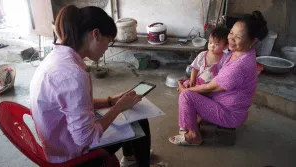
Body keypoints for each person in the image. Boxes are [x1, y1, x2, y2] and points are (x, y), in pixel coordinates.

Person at [30, 5, 166, 167]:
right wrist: (118, 108)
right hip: (74, 157)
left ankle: (130, 158)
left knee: (127, 112)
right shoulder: (73, 75)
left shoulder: (56, 58)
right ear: (95, 34)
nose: (107, 48)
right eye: (108, 40)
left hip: (57, 144)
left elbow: (72, 103)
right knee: (139, 119)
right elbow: (86, 139)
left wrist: (111, 101)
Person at [169, 11, 268, 146]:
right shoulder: (240, 52)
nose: (231, 39)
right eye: (231, 33)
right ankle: (197, 119)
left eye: (238, 36)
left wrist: (186, 90)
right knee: (187, 84)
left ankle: (194, 136)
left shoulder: (240, 64)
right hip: (220, 99)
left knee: (186, 95)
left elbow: (212, 87)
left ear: (253, 41)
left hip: (228, 113)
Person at [179, 27, 229, 134]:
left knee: (192, 95)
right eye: (210, 42)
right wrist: (192, 79)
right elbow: (195, 68)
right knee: (185, 84)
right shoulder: (202, 55)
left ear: (225, 46)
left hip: (212, 89)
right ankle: (185, 123)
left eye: (216, 44)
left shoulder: (225, 58)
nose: (212, 46)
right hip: (198, 83)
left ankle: (200, 117)